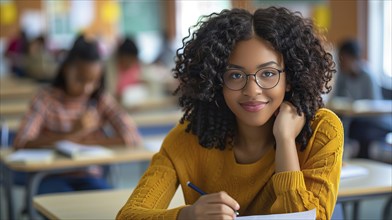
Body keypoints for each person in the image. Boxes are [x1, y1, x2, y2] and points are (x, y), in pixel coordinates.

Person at [117, 7, 343, 220]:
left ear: (290, 78)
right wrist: (188, 215)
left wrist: (284, 141)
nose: (252, 90)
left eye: (268, 73)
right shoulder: (189, 138)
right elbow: (129, 216)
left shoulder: (322, 130)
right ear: (216, 81)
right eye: (235, 75)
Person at [12, 35, 141, 194]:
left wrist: (82, 143)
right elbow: (21, 141)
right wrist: (72, 133)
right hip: (49, 175)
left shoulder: (98, 99)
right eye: (80, 79)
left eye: (94, 82)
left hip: (87, 175)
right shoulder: (45, 98)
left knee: (109, 205)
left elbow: (132, 136)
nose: (87, 88)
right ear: (66, 69)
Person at [332, 39, 391, 158]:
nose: (341, 62)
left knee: (361, 132)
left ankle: (362, 161)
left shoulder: (367, 76)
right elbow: (335, 98)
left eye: (343, 59)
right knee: (337, 126)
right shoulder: (343, 76)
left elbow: (373, 105)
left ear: (353, 58)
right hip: (356, 120)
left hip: (375, 122)